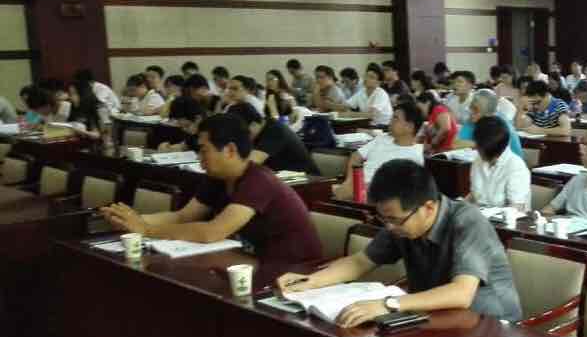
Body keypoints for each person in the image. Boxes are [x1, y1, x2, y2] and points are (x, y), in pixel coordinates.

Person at [277, 160, 522, 324]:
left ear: (428, 207)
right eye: (384, 219)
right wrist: (309, 282)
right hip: (435, 317)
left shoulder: (468, 221)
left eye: (394, 220)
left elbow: (461, 293)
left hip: (491, 325)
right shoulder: (402, 223)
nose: (389, 227)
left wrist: (389, 304)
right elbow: (361, 261)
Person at [101, 114, 322, 270]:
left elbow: (213, 232)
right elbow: (183, 216)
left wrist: (146, 230)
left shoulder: (258, 180)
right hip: (253, 258)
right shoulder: (217, 177)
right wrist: (131, 219)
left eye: (203, 150)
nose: (199, 158)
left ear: (230, 150)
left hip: (292, 267)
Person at [333, 102, 425, 199]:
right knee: (327, 190)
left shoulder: (416, 155)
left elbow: (398, 187)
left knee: (330, 193)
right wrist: (350, 181)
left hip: (377, 195)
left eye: (395, 118)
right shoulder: (382, 138)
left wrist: (359, 188)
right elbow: (356, 156)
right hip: (355, 186)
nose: (390, 121)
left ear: (409, 127)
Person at [227, 103, 319, 175]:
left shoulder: (275, 130)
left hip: (307, 181)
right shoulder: (257, 131)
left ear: (253, 124)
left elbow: (250, 163)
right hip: (281, 179)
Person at [467, 115, 531, 210]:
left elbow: (516, 209)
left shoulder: (516, 167)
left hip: (507, 219)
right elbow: (474, 196)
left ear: (487, 146)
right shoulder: (478, 161)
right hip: (479, 216)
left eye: (478, 144)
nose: (475, 147)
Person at [453, 89, 523, 157]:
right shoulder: (472, 119)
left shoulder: (500, 125)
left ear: (489, 113)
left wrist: (478, 145)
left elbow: (493, 151)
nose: (471, 112)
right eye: (471, 106)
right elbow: (455, 144)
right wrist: (479, 144)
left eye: (476, 109)